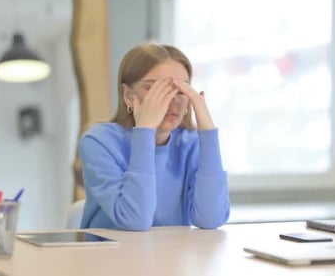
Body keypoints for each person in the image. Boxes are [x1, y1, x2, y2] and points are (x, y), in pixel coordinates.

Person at [78, 43, 230, 231]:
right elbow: (135, 220)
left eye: (181, 91)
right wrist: (145, 131)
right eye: (155, 89)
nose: (171, 100)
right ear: (127, 95)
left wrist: (208, 133)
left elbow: (210, 219)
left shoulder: (190, 144)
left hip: (171, 256)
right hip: (108, 256)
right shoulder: (99, 142)